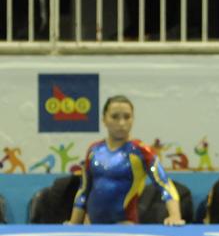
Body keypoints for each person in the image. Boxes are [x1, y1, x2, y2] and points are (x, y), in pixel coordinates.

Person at [67, 96, 184, 225]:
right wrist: (73, 224)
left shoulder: (141, 151)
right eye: (115, 117)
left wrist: (175, 216)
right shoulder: (93, 151)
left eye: (127, 117)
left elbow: (164, 184)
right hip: (92, 227)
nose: (121, 123)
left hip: (125, 226)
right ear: (104, 119)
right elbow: (84, 190)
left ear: (133, 119)